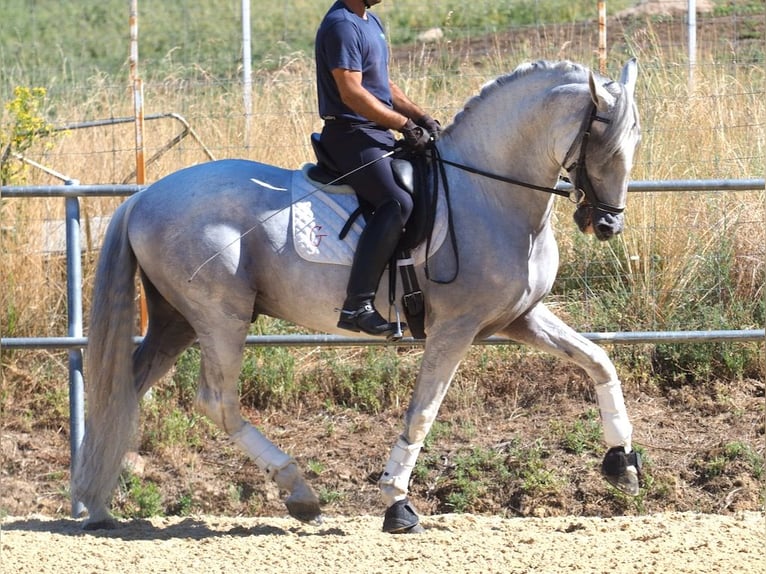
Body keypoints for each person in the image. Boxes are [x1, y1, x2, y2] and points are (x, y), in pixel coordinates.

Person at [315, 0, 441, 338]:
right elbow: (352, 92)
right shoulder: (341, 25)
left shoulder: (371, 22)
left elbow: (383, 85)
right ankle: (357, 304)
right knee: (396, 202)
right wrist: (403, 125)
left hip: (374, 131)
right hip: (349, 135)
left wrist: (419, 117)